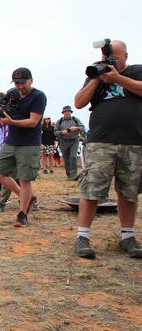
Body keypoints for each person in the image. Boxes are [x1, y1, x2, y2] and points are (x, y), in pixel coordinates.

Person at [72, 40, 142, 259]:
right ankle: (82, 236)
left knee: (128, 192)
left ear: (126, 56)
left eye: (114, 58)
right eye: (106, 58)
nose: (109, 62)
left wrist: (117, 78)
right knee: (91, 188)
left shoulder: (137, 71)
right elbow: (79, 102)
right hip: (101, 141)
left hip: (133, 141)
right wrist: (96, 79)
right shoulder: (96, 74)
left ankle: (127, 237)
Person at [0, 67, 47, 227]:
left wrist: (11, 122)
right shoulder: (12, 94)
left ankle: (22, 215)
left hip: (29, 143)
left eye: (23, 83)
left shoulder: (38, 96)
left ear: (31, 81)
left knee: (24, 180)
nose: (19, 86)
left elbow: (33, 121)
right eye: (16, 83)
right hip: (10, 141)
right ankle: (28, 197)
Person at [54, 105, 85, 180]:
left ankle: (73, 175)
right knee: (66, 159)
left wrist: (76, 128)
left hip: (74, 140)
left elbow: (82, 128)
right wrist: (62, 132)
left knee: (73, 157)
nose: (67, 113)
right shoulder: (59, 121)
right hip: (63, 142)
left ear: (71, 112)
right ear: (63, 113)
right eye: (66, 112)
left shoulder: (76, 119)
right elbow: (55, 132)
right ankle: (69, 175)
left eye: (69, 112)